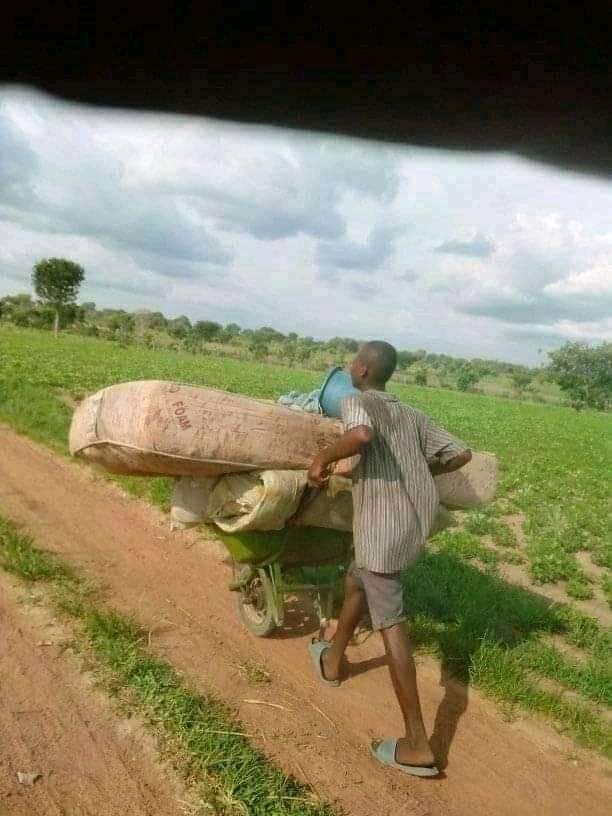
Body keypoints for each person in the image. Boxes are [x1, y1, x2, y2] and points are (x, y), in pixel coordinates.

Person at [307, 341, 471, 777]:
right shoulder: (412, 414)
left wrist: (322, 457)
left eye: (351, 360)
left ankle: (418, 744)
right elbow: (461, 453)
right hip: (413, 523)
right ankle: (334, 659)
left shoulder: (356, 401)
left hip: (382, 527)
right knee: (357, 579)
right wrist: (417, 469)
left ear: (361, 370)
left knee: (391, 623)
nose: (348, 365)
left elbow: (360, 435)